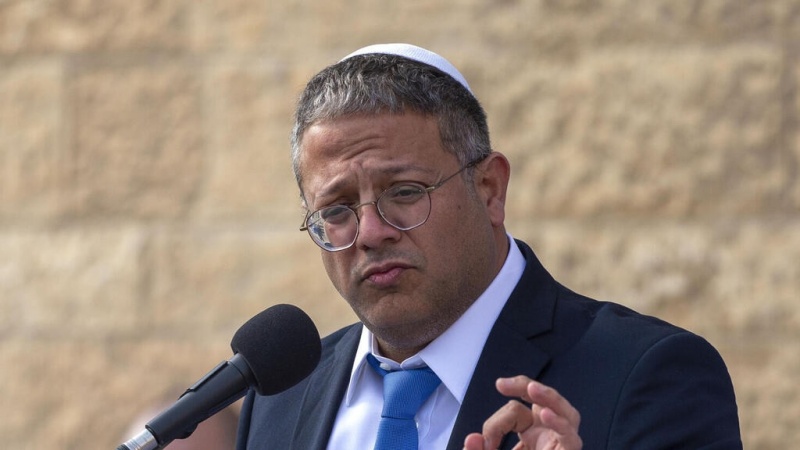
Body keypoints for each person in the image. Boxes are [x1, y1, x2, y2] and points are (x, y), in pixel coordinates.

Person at [236, 43, 742, 449]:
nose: (370, 232)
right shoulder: (280, 398)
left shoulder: (648, 375)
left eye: (404, 192)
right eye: (336, 210)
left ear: (489, 190)